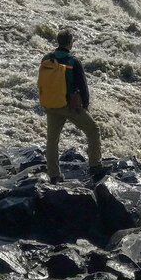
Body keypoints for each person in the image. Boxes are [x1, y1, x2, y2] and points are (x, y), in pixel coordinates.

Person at [42, 28, 103, 183]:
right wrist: (85, 105)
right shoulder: (73, 61)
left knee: (52, 141)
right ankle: (95, 166)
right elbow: (83, 87)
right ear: (70, 43)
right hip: (70, 105)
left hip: (51, 104)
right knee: (93, 129)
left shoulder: (47, 58)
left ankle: (54, 175)